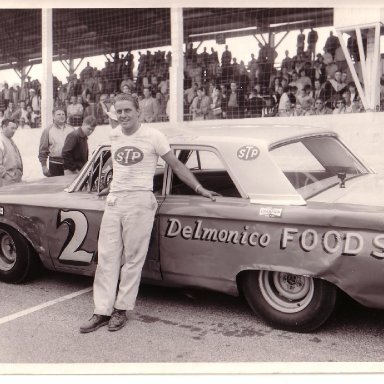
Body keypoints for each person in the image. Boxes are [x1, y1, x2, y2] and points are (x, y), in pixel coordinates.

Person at [79, 93, 218, 333]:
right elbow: (121, 164)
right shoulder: (114, 135)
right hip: (115, 201)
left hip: (141, 201)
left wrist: (199, 187)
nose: (123, 115)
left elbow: (175, 165)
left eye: (127, 111)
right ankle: (101, 311)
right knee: (107, 259)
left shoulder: (153, 136)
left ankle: (121, 309)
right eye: (119, 111)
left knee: (133, 259)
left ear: (138, 112)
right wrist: (110, 185)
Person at [38, 108, 74, 177]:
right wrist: (44, 166)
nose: (61, 116)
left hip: (70, 165)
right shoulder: (48, 131)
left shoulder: (71, 129)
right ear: (53, 117)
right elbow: (43, 150)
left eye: (63, 114)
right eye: (58, 114)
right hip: (55, 165)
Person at [0, 119, 23, 187]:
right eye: (12, 128)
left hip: (15, 178)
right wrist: (6, 177)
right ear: (4, 127)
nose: (14, 131)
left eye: (15, 128)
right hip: (6, 181)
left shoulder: (10, 140)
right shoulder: (1, 141)